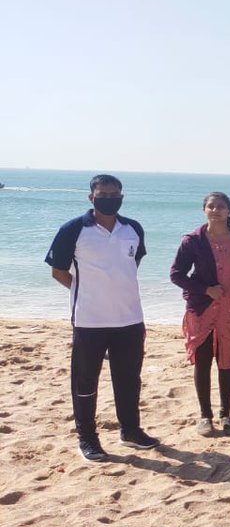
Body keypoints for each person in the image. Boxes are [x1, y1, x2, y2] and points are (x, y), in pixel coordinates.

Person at [45, 174, 158, 461]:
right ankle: (87, 438)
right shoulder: (73, 229)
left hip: (130, 319)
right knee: (85, 382)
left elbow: (130, 266)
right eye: (102, 194)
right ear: (91, 197)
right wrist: (85, 292)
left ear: (122, 196)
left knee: (129, 379)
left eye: (114, 193)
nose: (109, 198)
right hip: (89, 320)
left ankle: (130, 431)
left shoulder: (133, 228)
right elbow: (58, 271)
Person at [169, 192, 230, 436]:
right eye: (211, 206)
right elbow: (176, 274)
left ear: (229, 211)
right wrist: (206, 290)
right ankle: (205, 416)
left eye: (221, 207)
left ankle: (225, 415)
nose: (215, 210)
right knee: (203, 360)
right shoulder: (193, 241)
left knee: (226, 361)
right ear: (204, 210)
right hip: (202, 308)